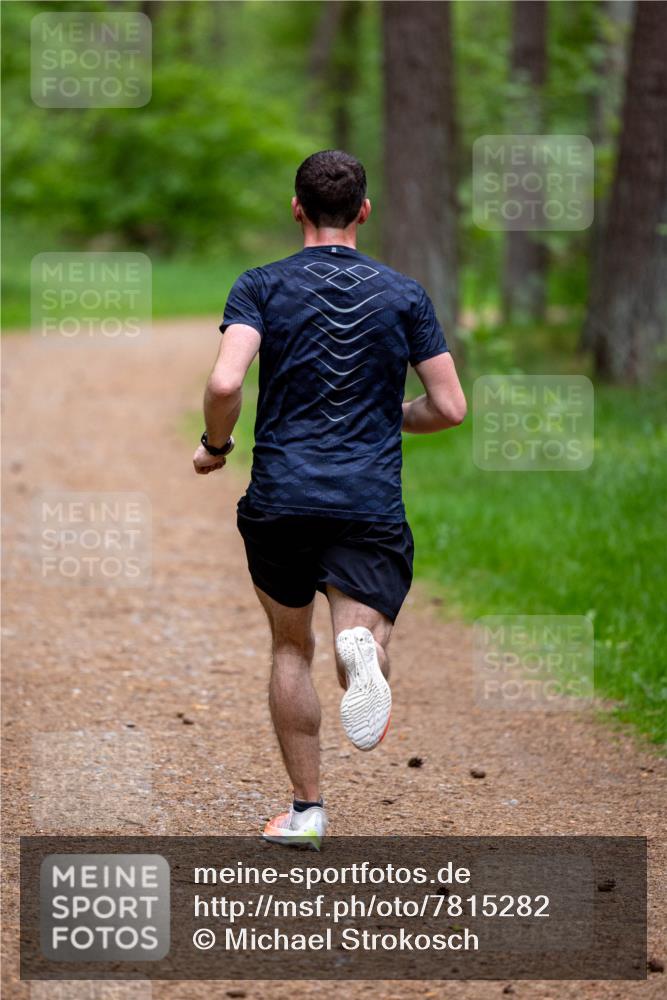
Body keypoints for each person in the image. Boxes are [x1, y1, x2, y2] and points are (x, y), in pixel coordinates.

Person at [192, 150, 466, 849]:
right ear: (363, 213)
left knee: (288, 647)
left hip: (282, 495)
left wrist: (215, 448)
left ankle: (307, 812)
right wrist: (390, 416)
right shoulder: (403, 294)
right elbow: (449, 407)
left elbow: (226, 386)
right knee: (362, 634)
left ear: (296, 209)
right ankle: (360, 654)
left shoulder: (259, 285)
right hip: (365, 499)